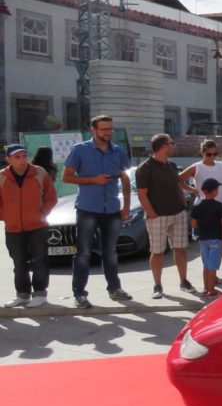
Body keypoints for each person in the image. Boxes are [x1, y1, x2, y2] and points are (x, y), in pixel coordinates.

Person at [63, 115, 133, 308]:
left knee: (110, 251)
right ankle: (80, 294)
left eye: (110, 129)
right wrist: (92, 180)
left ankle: (114, 289)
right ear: (93, 130)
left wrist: (126, 206)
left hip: (111, 208)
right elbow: (66, 177)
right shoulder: (80, 150)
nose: (108, 132)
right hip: (87, 208)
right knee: (83, 252)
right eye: (104, 129)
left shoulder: (117, 151)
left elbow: (126, 178)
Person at [137, 134, 195, 299]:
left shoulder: (171, 165)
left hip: (177, 214)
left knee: (181, 249)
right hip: (157, 217)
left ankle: (184, 281)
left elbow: (178, 186)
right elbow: (142, 195)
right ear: (163, 146)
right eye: (172, 143)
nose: (174, 146)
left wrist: (184, 207)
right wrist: (153, 214)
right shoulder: (145, 168)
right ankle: (157, 285)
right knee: (157, 252)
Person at [1, 144, 57, 308]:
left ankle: (40, 294)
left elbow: (51, 197)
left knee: (40, 261)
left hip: (37, 226)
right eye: (17, 157)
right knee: (19, 263)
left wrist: (42, 213)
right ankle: (22, 295)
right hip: (13, 228)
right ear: (9, 159)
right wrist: (7, 216)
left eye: (24, 156)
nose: (22, 160)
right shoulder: (2, 177)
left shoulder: (39, 172)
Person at [190, 178, 222, 298]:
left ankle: (206, 288)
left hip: (203, 239)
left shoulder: (197, 206)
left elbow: (193, 224)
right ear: (214, 191)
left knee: (206, 264)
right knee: (213, 265)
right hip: (215, 239)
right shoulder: (219, 206)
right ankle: (212, 291)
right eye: (217, 188)